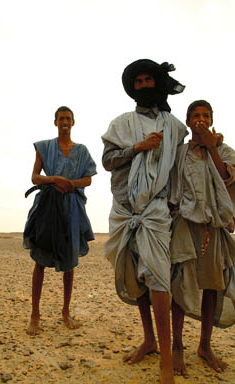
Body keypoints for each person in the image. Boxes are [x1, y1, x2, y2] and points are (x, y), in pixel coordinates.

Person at [102, 59, 188, 384]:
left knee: (159, 281)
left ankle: (167, 359)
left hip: (156, 210)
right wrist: (137, 148)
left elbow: (180, 165)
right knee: (137, 279)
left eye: (147, 80)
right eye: (137, 81)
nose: (142, 85)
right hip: (124, 211)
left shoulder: (175, 127)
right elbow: (108, 161)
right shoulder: (121, 123)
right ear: (132, 88)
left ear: (157, 83)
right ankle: (149, 341)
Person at [170, 100, 235, 377]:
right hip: (184, 225)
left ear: (211, 120)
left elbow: (226, 179)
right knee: (179, 286)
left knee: (211, 286)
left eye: (205, 115)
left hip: (212, 226)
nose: (200, 119)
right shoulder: (179, 153)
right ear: (187, 121)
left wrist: (210, 147)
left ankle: (205, 346)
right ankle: (176, 347)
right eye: (195, 115)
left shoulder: (223, 150)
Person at [23, 106, 96, 335]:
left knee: (70, 262)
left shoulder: (82, 151)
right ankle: (35, 315)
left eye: (68, 118)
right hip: (47, 207)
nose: (64, 121)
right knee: (40, 260)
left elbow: (88, 180)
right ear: (55, 122)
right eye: (61, 118)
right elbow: (35, 176)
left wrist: (70, 184)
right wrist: (54, 179)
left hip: (72, 209)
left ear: (73, 123)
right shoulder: (44, 147)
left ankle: (65, 312)